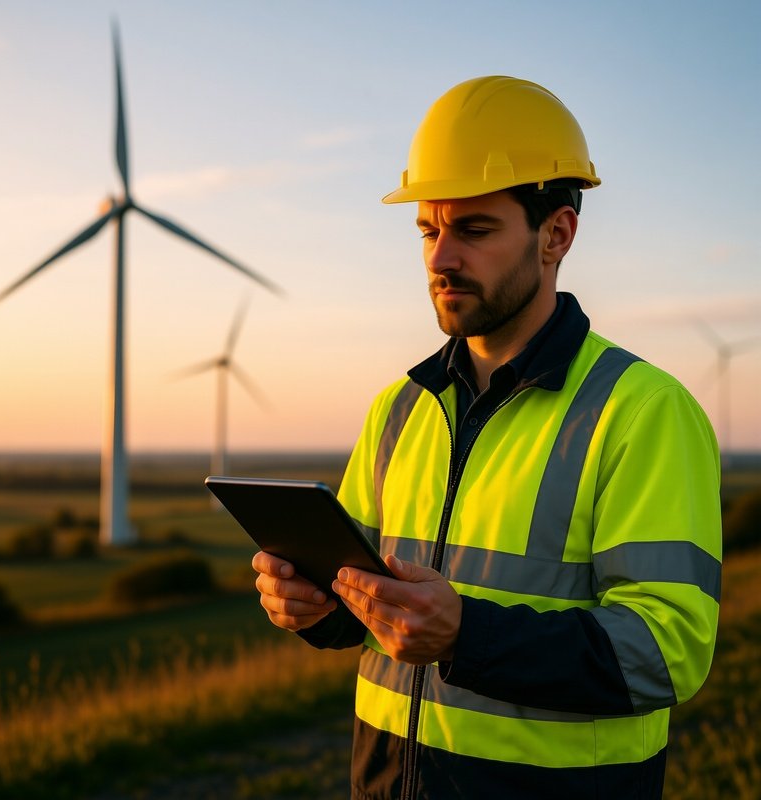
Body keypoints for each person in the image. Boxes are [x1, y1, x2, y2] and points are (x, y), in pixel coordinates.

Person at [252, 76, 722, 799]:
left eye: (473, 230)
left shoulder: (642, 411)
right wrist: (316, 609)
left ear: (556, 235)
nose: (440, 259)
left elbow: (668, 654)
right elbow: (369, 608)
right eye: (427, 231)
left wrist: (468, 635)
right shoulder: (399, 410)